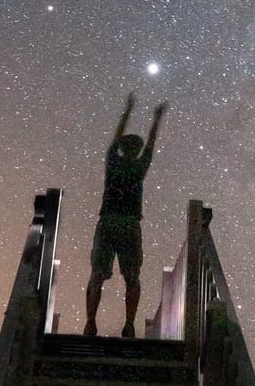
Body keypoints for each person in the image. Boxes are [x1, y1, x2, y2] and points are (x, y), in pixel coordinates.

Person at [83, 92, 167, 338]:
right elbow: (151, 143)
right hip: (130, 225)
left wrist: (128, 111)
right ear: (136, 150)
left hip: (108, 223)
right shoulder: (139, 167)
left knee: (97, 275)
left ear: (121, 149)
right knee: (132, 276)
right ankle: (129, 324)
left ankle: (90, 323)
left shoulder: (113, 162)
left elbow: (115, 138)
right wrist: (156, 119)